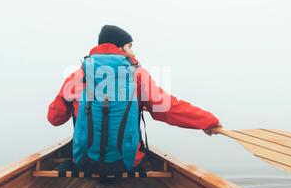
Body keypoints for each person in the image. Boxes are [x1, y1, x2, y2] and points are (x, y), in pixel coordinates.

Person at [48, 25, 222, 175]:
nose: (132, 51)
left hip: (83, 162)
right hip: (127, 164)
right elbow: (168, 109)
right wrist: (207, 121)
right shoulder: (137, 76)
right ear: (121, 48)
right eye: (129, 46)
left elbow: (54, 119)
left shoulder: (77, 77)